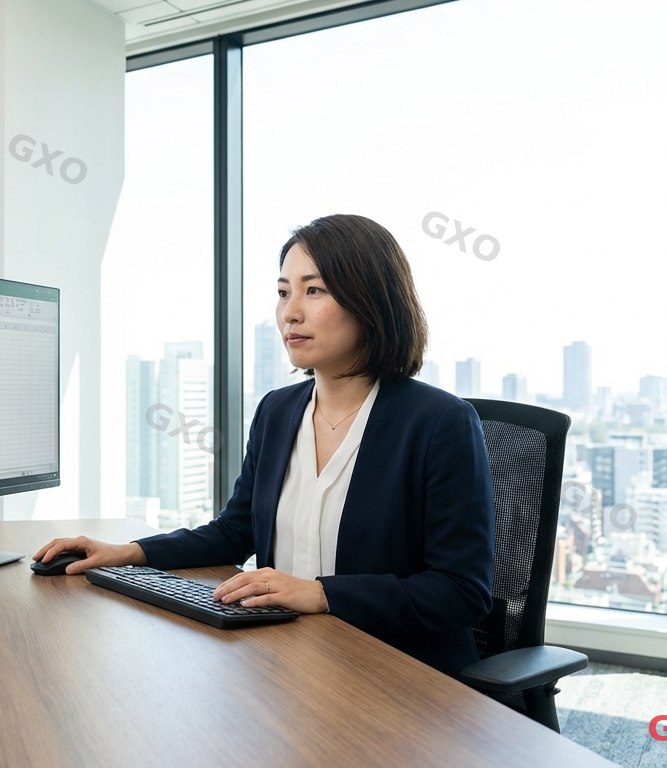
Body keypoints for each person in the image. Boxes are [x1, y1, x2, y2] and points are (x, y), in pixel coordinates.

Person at [34, 214, 495, 676]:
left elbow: (459, 591)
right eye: (282, 292)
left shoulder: (440, 423)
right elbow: (234, 533)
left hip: (395, 673)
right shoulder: (278, 411)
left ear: (372, 301)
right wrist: (127, 553)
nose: (290, 311)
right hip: (290, 659)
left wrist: (319, 593)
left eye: (313, 290)